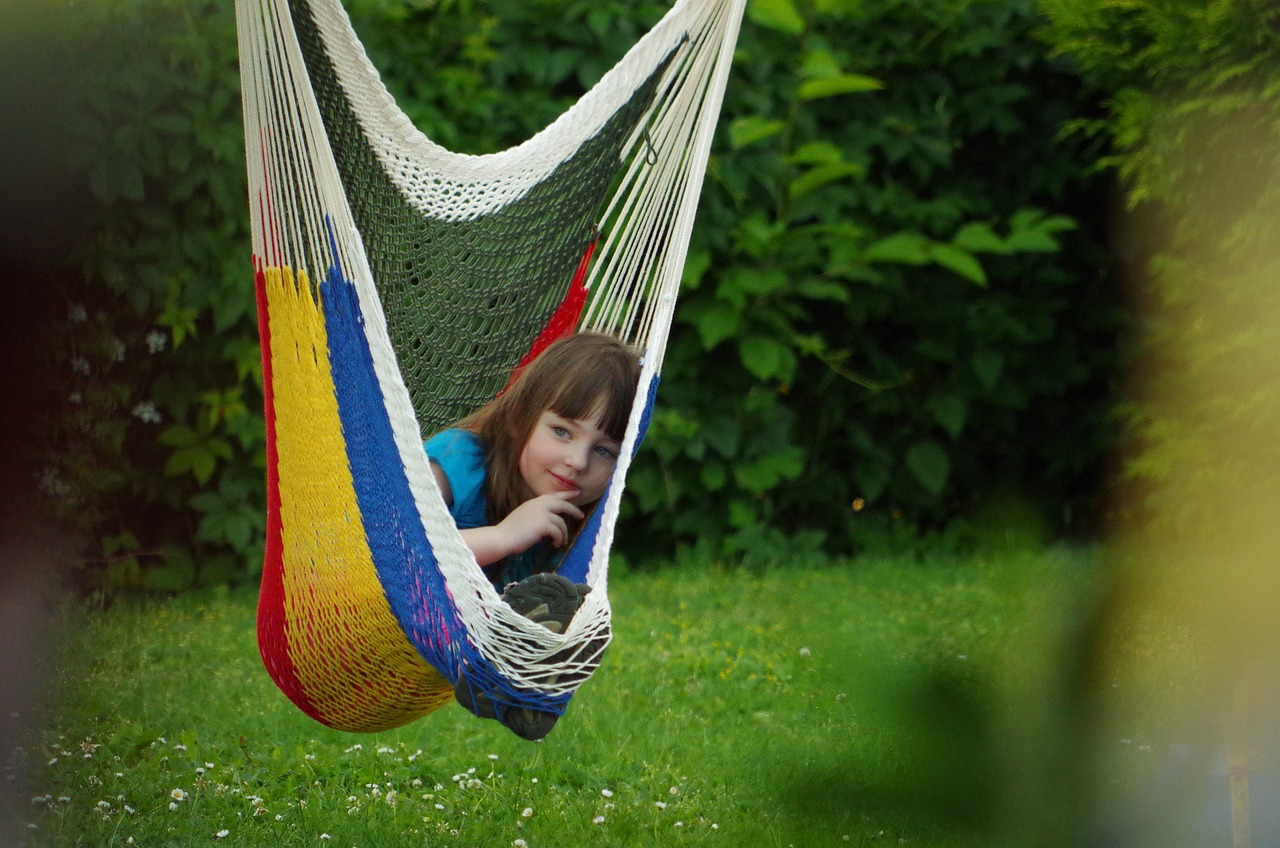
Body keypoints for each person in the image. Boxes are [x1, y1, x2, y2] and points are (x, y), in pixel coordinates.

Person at [423, 331, 641, 739]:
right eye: (562, 431)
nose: (576, 461)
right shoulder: (458, 462)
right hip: (381, 614)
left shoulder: (574, 520)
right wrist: (506, 535)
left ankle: (519, 683)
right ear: (522, 415)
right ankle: (500, 676)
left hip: (464, 637)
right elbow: (394, 556)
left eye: (604, 451)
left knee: (563, 604)